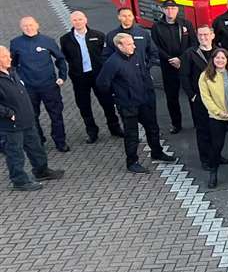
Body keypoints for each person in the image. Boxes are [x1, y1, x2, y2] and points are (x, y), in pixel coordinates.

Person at [95, 33, 176, 174]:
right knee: (131, 135)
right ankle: (132, 162)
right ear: (119, 46)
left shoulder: (137, 54)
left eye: (133, 43)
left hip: (145, 100)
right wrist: (117, 98)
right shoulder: (112, 63)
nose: (133, 46)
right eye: (129, 44)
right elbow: (102, 84)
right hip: (128, 105)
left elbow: (144, 73)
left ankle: (157, 152)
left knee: (152, 128)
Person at [0, 45, 61, 191]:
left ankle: (41, 171)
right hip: (11, 125)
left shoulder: (11, 71)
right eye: (4, 57)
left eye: (8, 55)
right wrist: (9, 114)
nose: (9, 58)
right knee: (15, 154)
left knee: (36, 148)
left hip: (26, 120)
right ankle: (19, 181)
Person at [60, 11, 121, 142]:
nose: (78, 22)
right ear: (72, 22)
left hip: (98, 76)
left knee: (107, 103)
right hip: (79, 78)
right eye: (75, 20)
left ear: (86, 20)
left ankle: (114, 128)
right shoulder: (65, 39)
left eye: (80, 19)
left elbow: (105, 55)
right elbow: (66, 56)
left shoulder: (98, 35)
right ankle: (92, 132)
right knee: (84, 105)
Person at [9, 16, 69, 150]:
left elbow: (60, 59)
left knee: (56, 114)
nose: (28, 28)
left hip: (49, 86)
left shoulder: (48, 41)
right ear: (21, 28)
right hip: (29, 88)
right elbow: (12, 65)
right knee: (32, 116)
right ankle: (38, 141)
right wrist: (18, 81)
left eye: (31, 25)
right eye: (25, 26)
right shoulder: (15, 43)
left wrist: (62, 76)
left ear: (37, 25)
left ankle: (60, 142)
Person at [198, 48, 228, 187]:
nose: (220, 60)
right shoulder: (205, 76)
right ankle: (213, 174)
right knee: (216, 146)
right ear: (213, 60)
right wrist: (219, 112)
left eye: (223, 58)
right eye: (217, 58)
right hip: (217, 117)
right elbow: (206, 98)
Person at [149, 0, 196, 134]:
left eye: (173, 8)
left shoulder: (186, 24)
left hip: (186, 65)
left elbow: (193, 43)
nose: (170, 11)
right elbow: (156, 47)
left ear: (177, 10)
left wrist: (181, 59)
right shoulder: (156, 27)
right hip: (168, 66)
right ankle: (176, 124)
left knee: (192, 94)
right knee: (172, 97)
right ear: (163, 10)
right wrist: (170, 59)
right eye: (167, 9)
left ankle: (197, 122)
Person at [180, 25, 218, 169]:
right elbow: (184, 76)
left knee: (216, 129)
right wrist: (192, 96)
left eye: (206, 34)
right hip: (200, 99)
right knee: (203, 130)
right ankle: (206, 159)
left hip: (217, 99)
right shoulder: (190, 54)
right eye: (200, 35)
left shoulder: (218, 52)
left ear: (212, 35)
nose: (203, 38)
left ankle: (216, 155)